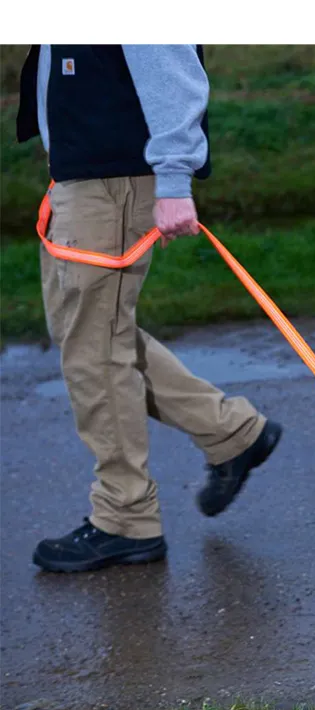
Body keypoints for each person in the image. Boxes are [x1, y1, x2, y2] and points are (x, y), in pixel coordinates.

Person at [16, 44, 282, 573]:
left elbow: (171, 66)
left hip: (112, 181)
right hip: (85, 174)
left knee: (95, 349)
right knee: (92, 336)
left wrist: (175, 177)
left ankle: (125, 516)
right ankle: (231, 432)